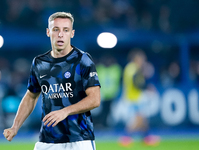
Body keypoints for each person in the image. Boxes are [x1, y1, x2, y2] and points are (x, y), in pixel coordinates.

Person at [3, 12, 101, 150]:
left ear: (72, 33)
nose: (60, 34)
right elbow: (31, 96)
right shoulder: (39, 63)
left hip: (79, 139)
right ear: (48, 32)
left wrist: (65, 111)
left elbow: (95, 99)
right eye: (56, 29)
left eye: (65, 30)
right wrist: (15, 127)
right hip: (47, 140)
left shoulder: (83, 60)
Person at [117, 48, 160, 146]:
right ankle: (126, 137)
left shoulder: (129, 68)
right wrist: (147, 88)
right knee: (139, 120)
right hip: (134, 98)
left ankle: (147, 137)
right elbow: (136, 82)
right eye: (142, 59)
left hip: (133, 97)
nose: (143, 61)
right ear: (137, 58)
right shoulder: (134, 68)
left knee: (143, 120)